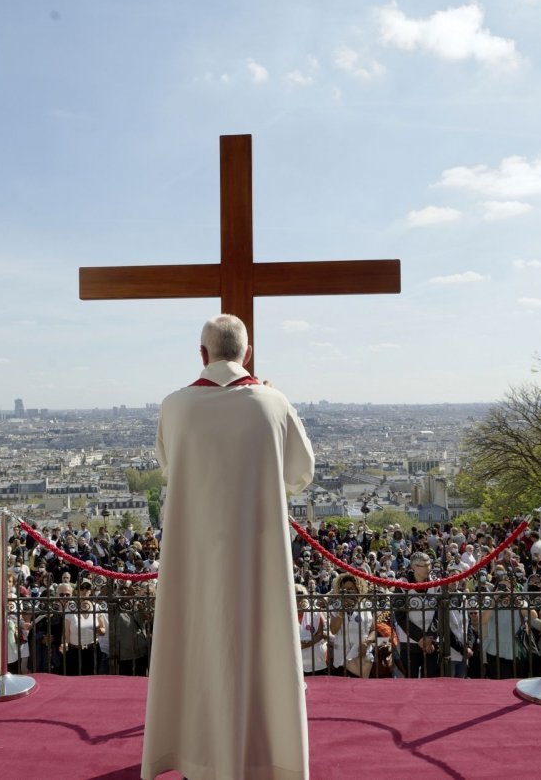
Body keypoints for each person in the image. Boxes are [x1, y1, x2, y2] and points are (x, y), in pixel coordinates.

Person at [142, 314, 315, 780]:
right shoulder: (274, 402)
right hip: (258, 551)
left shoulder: (174, 405)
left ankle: (196, 754)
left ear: (202, 354)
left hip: (194, 554)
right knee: (261, 646)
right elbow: (301, 474)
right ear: (248, 354)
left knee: (196, 644)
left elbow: (167, 464)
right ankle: (264, 754)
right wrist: (275, 404)